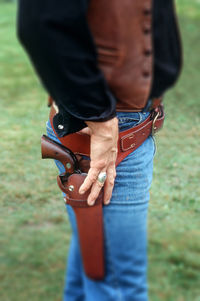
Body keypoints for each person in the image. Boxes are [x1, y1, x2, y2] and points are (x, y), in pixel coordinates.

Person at [17, 0, 182, 300]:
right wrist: (99, 117)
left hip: (121, 123)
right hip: (111, 134)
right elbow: (40, 21)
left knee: (91, 277)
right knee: (119, 287)